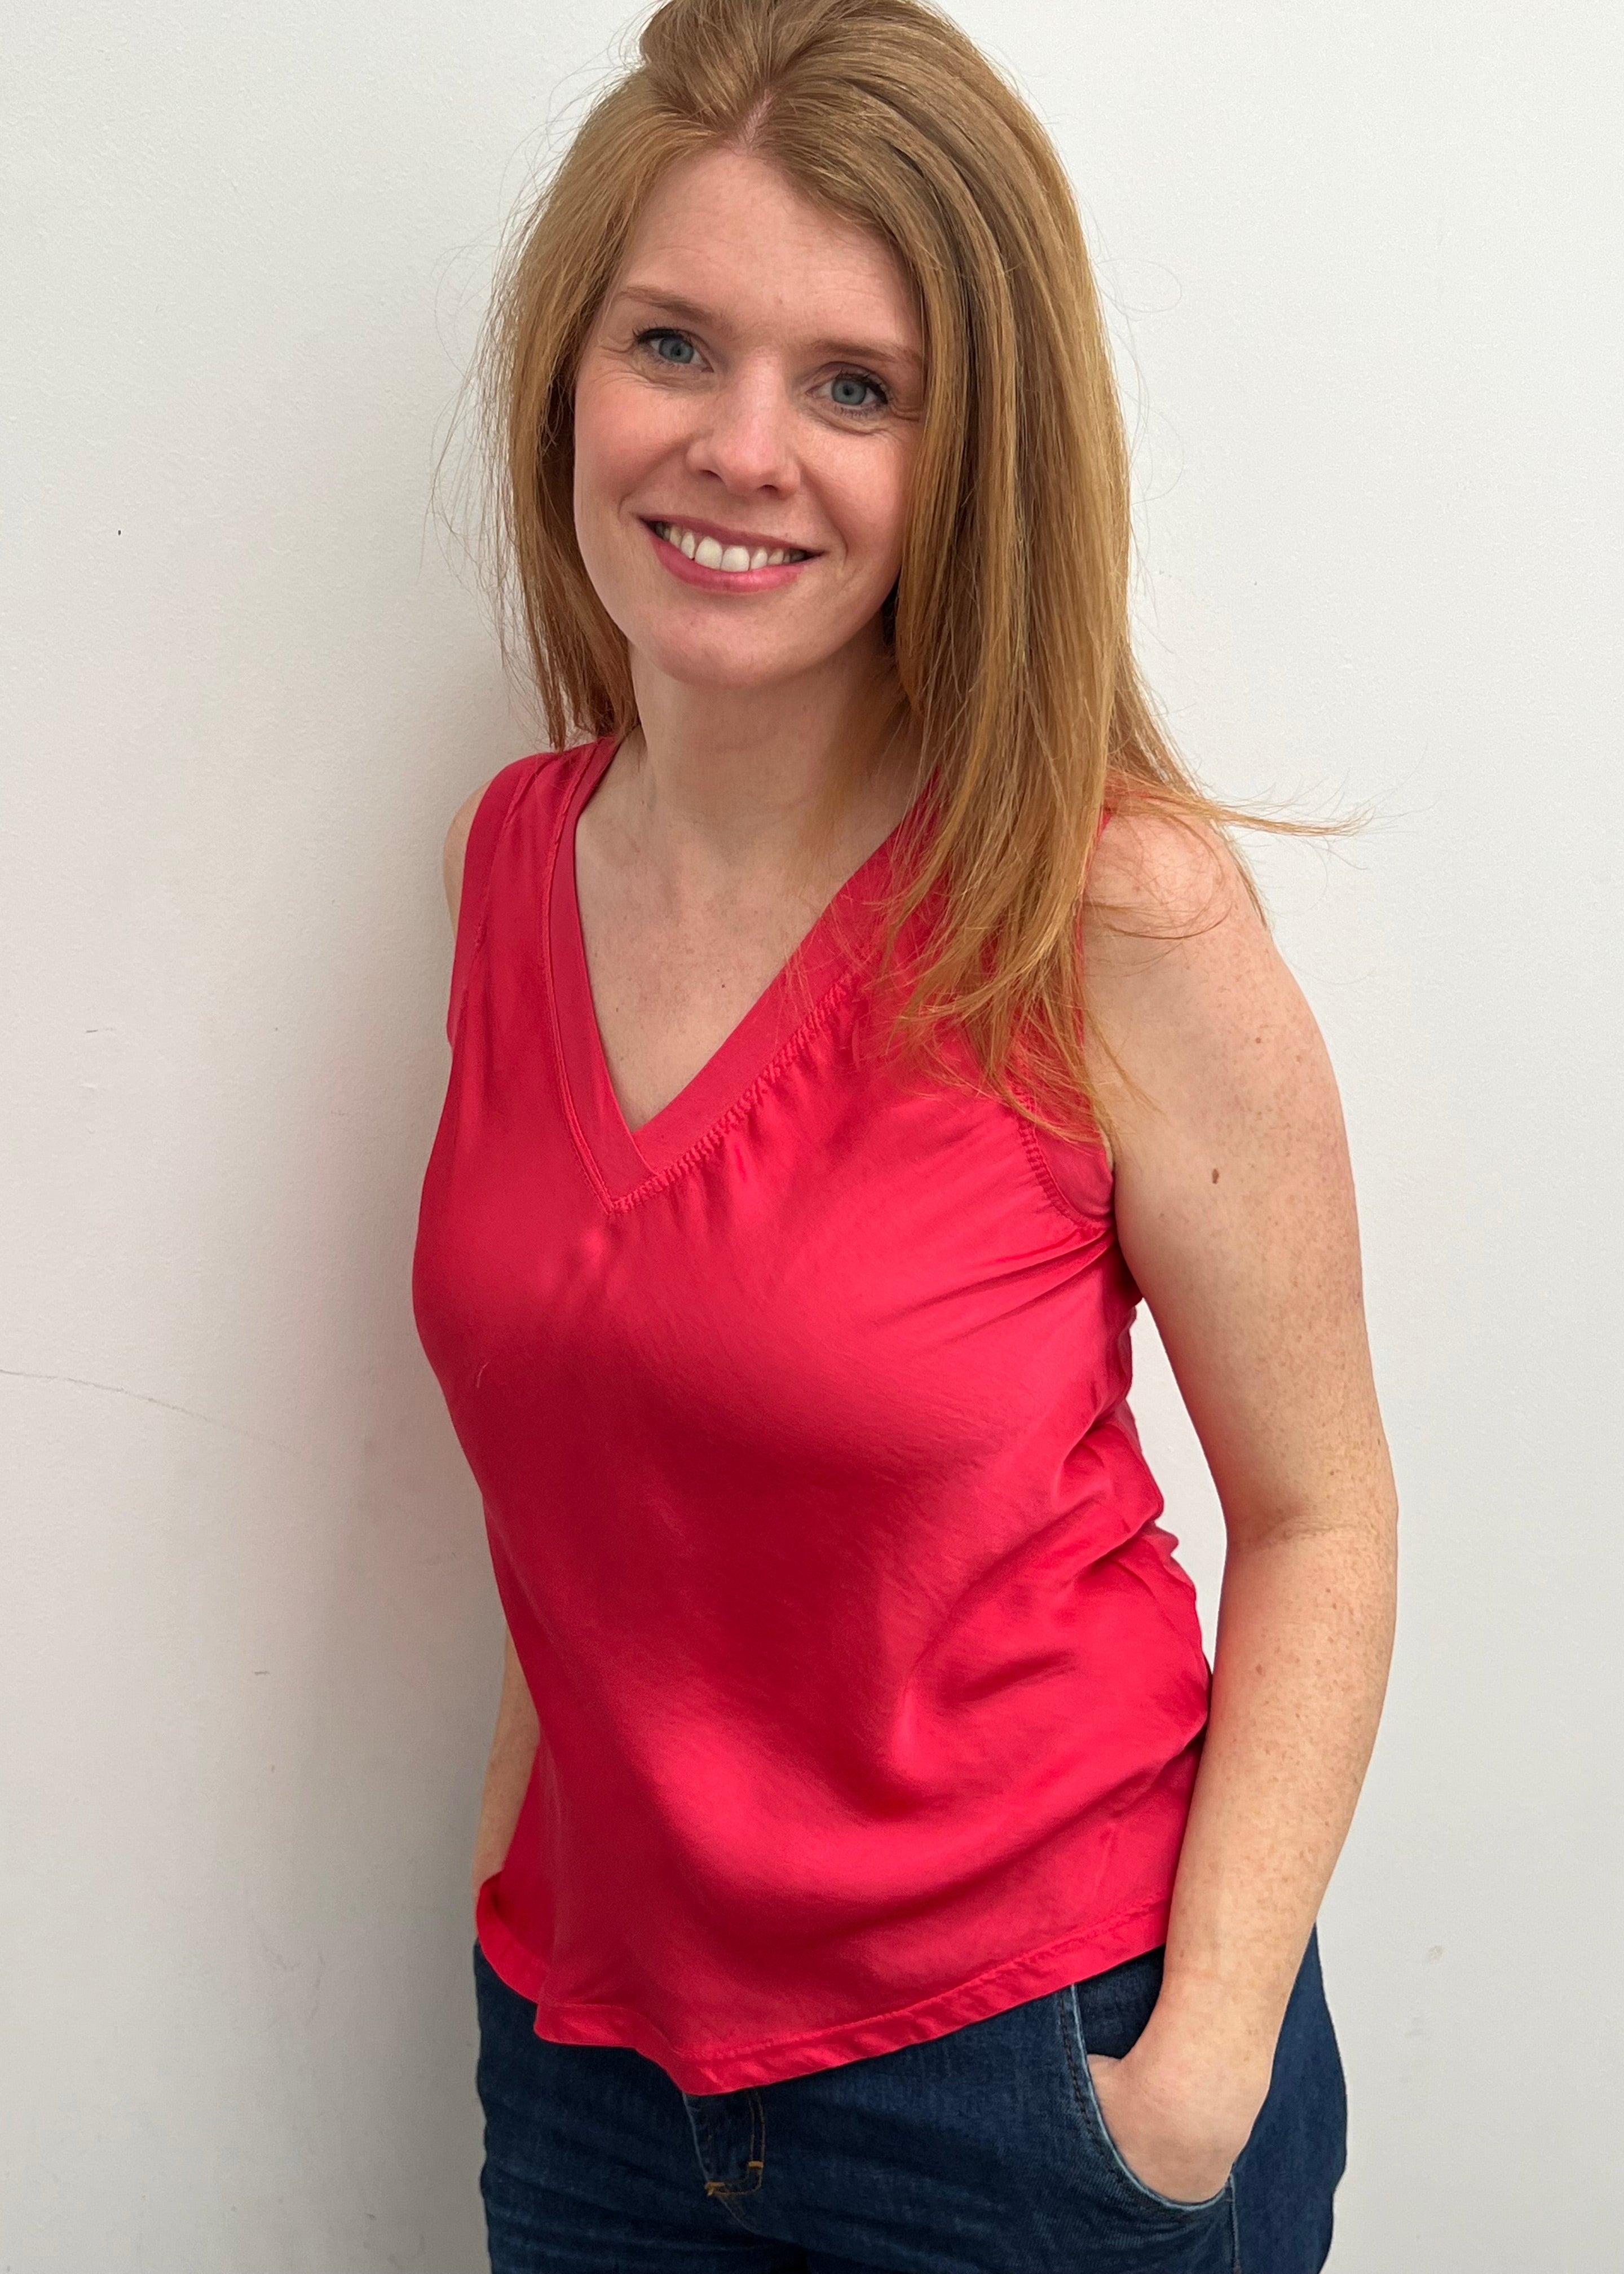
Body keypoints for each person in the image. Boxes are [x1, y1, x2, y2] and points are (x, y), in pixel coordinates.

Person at [412, 1, 1398, 2266]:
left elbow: (1325, 1512)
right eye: (677, 344)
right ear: (575, 368)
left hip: (1036, 2081)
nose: (744, 446)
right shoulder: (510, 863)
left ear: (975, 457)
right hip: (595, 2080)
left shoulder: (1106, 904)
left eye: (857, 385)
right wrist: (511, 1903)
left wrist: (1199, 2074)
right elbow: (600, 1454)